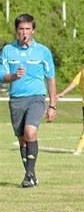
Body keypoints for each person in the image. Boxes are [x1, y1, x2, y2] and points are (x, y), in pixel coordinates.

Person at [0, 13, 57, 187]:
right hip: (16, 100)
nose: (24, 32)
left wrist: (53, 105)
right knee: (22, 139)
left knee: (30, 132)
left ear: (33, 30)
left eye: (27, 29)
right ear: (16, 31)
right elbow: (2, 76)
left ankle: (29, 175)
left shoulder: (43, 51)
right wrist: (14, 76)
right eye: (21, 29)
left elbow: (51, 78)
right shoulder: (8, 50)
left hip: (36, 97)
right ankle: (31, 176)